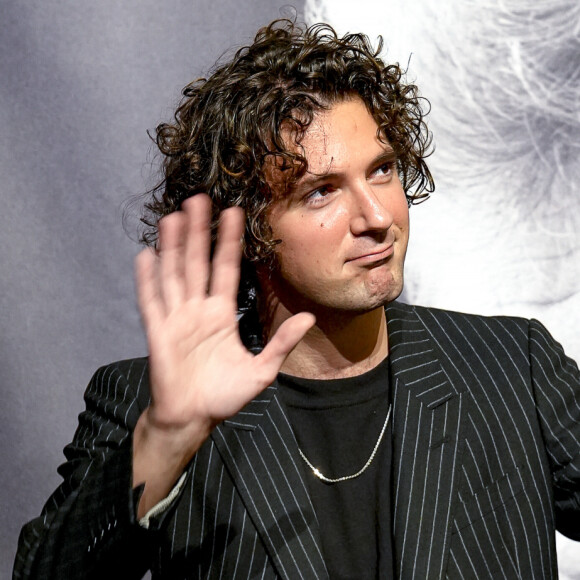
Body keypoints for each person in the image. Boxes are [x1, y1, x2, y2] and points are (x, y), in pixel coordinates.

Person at [14, 19, 580, 580]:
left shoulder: (511, 365)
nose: (379, 218)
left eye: (382, 171)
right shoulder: (145, 401)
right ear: (248, 226)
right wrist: (168, 439)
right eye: (321, 192)